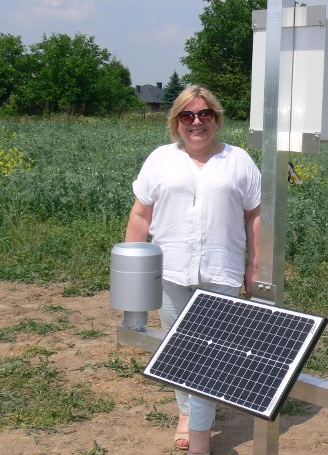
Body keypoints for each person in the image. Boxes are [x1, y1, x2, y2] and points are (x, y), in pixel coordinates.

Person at [125, 85, 261, 454]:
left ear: (216, 120)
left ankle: (199, 435)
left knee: (209, 354)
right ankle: (187, 413)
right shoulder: (160, 159)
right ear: (176, 122)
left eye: (204, 115)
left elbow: (255, 215)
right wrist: (132, 272)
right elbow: (141, 214)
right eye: (187, 116)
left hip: (222, 272)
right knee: (178, 350)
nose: (196, 122)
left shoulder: (238, 161)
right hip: (170, 271)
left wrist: (255, 266)